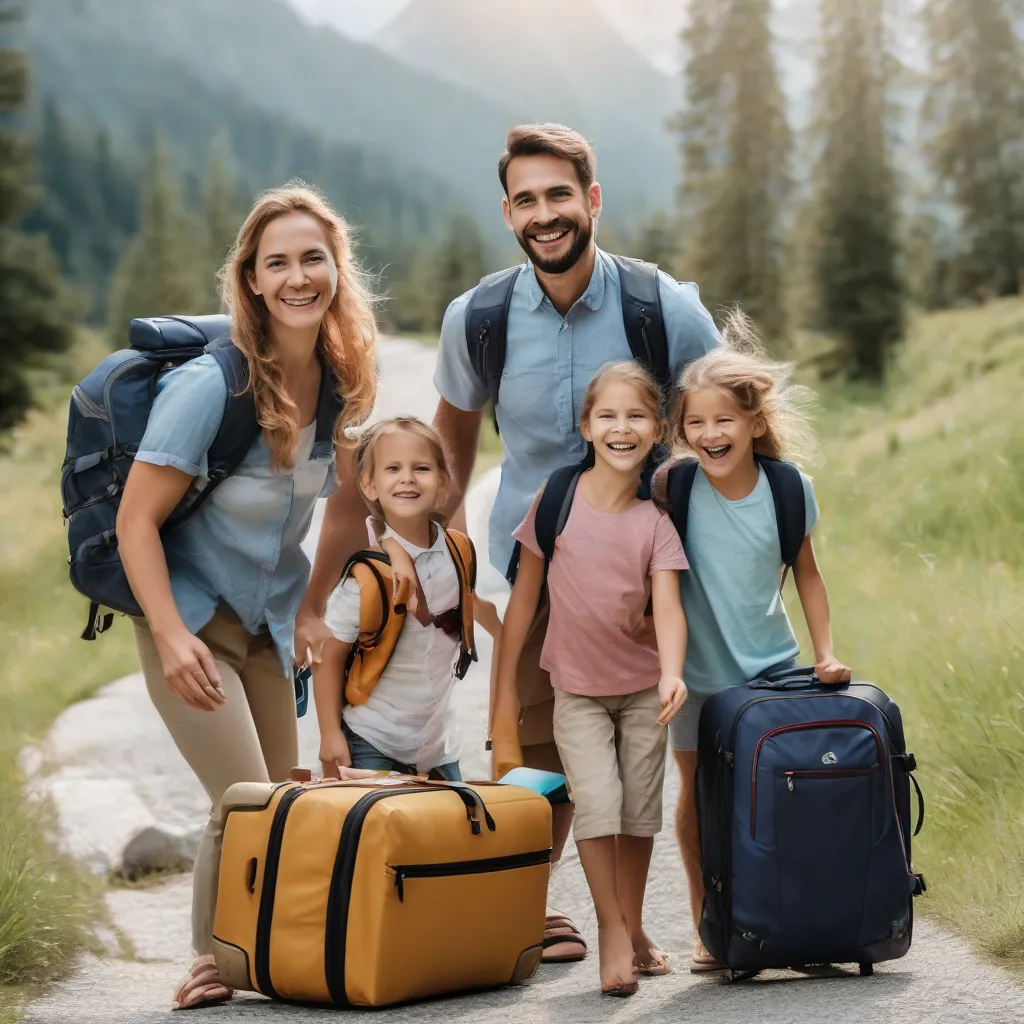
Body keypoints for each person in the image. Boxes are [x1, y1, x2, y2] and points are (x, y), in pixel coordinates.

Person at [295, 122, 721, 961]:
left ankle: (692, 924)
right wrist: (437, 566)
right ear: (507, 214)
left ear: (592, 201)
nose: (545, 214)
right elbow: (447, 449)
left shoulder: (661, 307)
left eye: (560, 195)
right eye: (526, 200)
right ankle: (518, 910)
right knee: (532, 748)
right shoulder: (479, 317)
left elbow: (724, 426)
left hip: (654, 567)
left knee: (674, 748)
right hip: (537, 568)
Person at [116, 184, 379, 1011]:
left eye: (313, 258)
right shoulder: (210, 386)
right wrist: (168, 636)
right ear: (253, 281)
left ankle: (262, 951)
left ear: (337, 267)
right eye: (279, 263)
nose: (299, 276)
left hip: (265, 628)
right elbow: (135, 521)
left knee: (282, 800)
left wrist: (312, 609)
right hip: (191, 620)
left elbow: (342, 513)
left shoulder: (339, 383)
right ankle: (207, 962)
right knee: (243, 803)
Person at [652, 311, 852, 974]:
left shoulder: (788, 490)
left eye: (724, 421)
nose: (710, 435)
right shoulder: (673, 488)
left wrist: (824, 653)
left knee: (779, 797)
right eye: (696, 423)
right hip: (696, 678)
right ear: (683, 429)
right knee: (700, 801)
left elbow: (809, 576)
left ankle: (795, 922)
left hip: (772, 672)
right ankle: (710, 926)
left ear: (754, 423)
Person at [493, 361, 688, 996]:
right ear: (586, 426)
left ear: (657, 429)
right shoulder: (555, 502)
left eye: (636, 417)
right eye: (607, 415)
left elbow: (669, 607)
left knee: (639, 814)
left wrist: (674, 674)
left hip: (642, 692)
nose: (621, 428)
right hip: (574, 691)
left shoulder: (655, 522)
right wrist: (502, 701)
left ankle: (632, 926)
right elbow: (523, 603)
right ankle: (611, 929)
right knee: (598, 804)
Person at [315, 417, 496, 780]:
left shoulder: (458, 552)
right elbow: (328, 657)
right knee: (380, 834)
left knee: (450, 834)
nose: (407, 478)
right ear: (369, 483)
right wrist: (329, 735)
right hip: (372, 741)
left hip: (438, 744)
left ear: (443, 482)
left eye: (422, 468)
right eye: (393, 468)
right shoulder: (365, 581)